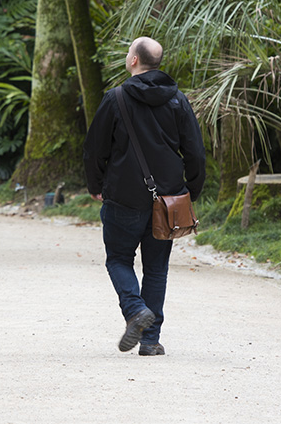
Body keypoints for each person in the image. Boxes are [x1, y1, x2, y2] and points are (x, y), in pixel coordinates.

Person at [83, 37, 206, 356]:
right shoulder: (177, 100)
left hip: (122, 198)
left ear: (134, 61)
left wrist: (95, 184)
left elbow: (95, 148)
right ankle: (150, 341)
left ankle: (135, 309)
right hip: (166, 201)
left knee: (118, 259)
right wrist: (191, 191)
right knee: (156, 269)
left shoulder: (116, 98)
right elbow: (194, 151)